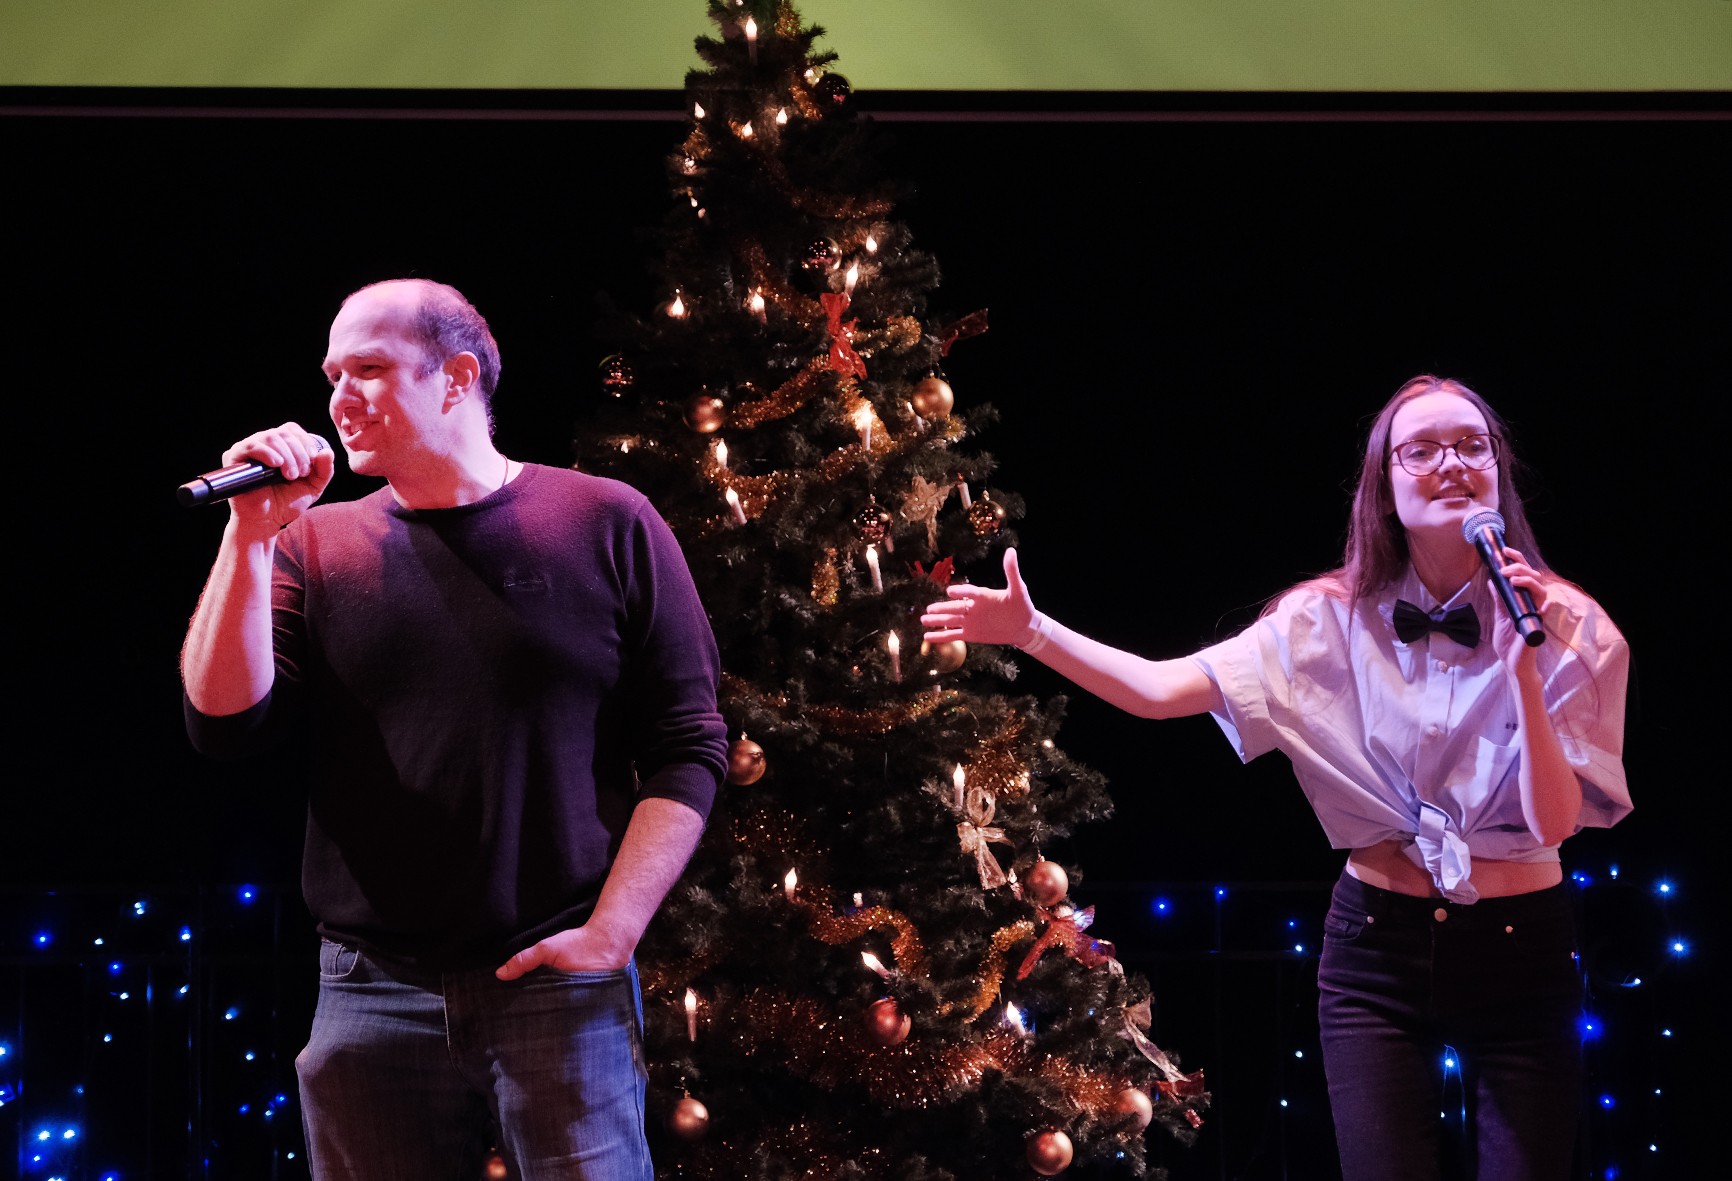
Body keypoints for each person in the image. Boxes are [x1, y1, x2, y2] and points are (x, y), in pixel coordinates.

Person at [923, 375, 1630, 1181]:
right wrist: (1033, 631)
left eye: (1473, 446)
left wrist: (1523, 670)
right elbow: (1159, 691)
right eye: (1423, 449)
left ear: (1498, 471)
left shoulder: (1569, 625)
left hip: (1521, 948)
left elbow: (1553, 822)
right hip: (1377, 948)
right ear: (1386, 485)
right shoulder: (1324, 618)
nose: (1452, 463)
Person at [181, 278, 728, 1180]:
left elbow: (688, 744)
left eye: (368, 368)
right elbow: (224, 723)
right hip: (369, 988)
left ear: (457, 377)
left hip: (558, 979)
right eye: (331, 375)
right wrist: (249, 535)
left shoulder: (604, 521)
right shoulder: (315, 545)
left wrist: (612, 933)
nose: (339, 399)